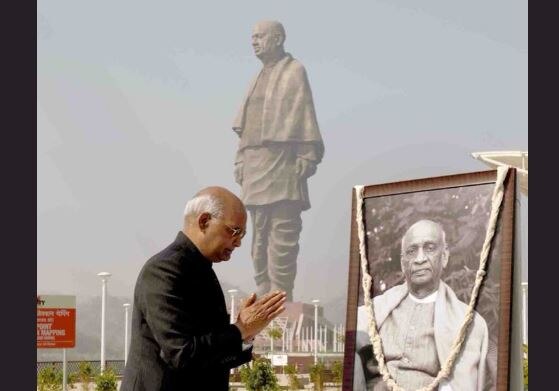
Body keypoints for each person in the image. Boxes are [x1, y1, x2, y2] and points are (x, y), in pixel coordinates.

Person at [121, 187, 287, 391]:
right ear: (204, 222)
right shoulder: (163, 271)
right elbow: (182, 354)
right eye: (234, 231)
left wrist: (246, 333)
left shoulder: (201, 270)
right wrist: (241, 329)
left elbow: (212, 356)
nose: (238, 242)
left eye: (242, 235)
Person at [232, 20, 324, 301]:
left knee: (283, 233)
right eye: (252, 37)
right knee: (257, 233)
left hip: (283, 163)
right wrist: (240, 160)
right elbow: (246, 127)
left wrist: (307, 154)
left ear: (278, 39)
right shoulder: (257, 77)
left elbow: (304, 114)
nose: (254, 41)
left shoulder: (294, 71)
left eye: (259, 36)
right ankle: (262, 285)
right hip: (255, 164)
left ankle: (281, 292)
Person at [354, 220, 489, 391]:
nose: (420, 259)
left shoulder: (468, 322)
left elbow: (459, 383)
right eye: (412, 251)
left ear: (444, 256)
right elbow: (347, 334)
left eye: (430, 248)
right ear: (403, 264)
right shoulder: (379, 309)